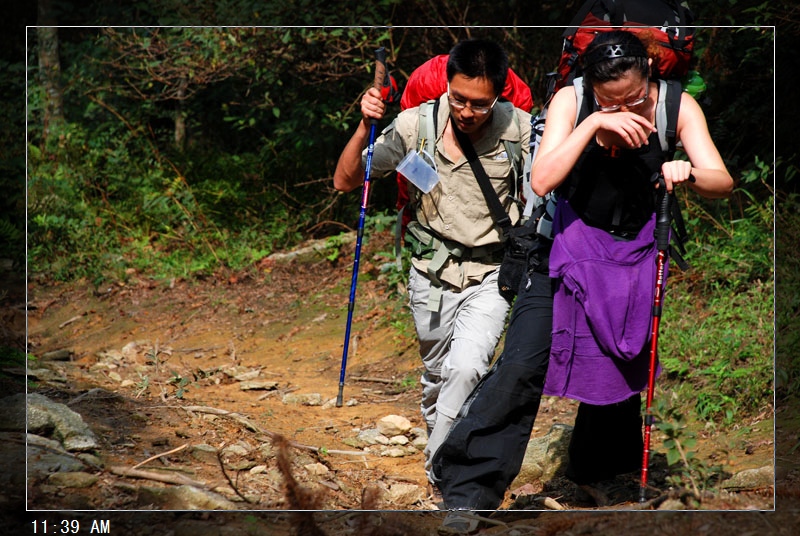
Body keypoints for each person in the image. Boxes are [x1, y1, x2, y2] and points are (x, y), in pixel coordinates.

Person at [431, 29, 733, 525]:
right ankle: (468, 491)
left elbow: (721, 179)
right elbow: (543, 178)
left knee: (620, 355)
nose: (626, 109)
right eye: (610, 100)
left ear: (650, 75)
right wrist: (593, 123)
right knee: (524, 361)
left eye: (634, 98)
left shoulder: (676, 106)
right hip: (559, 247)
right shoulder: (573, 100)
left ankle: (601, 469)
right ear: (591, 87)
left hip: (630, 253)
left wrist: (687, 172)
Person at [333, 39, 532, 492]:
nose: (465, 111)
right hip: (430, 271)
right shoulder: (415, 125)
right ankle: (440, 442)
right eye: (458, 98)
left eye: (479, 104)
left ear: (499, 94)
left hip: (492, 273)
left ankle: (442, 476)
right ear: (447, 86)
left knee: (467, 369)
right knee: (438, 377)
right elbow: (346, 180)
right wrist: (365, 125)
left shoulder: (521, 130)